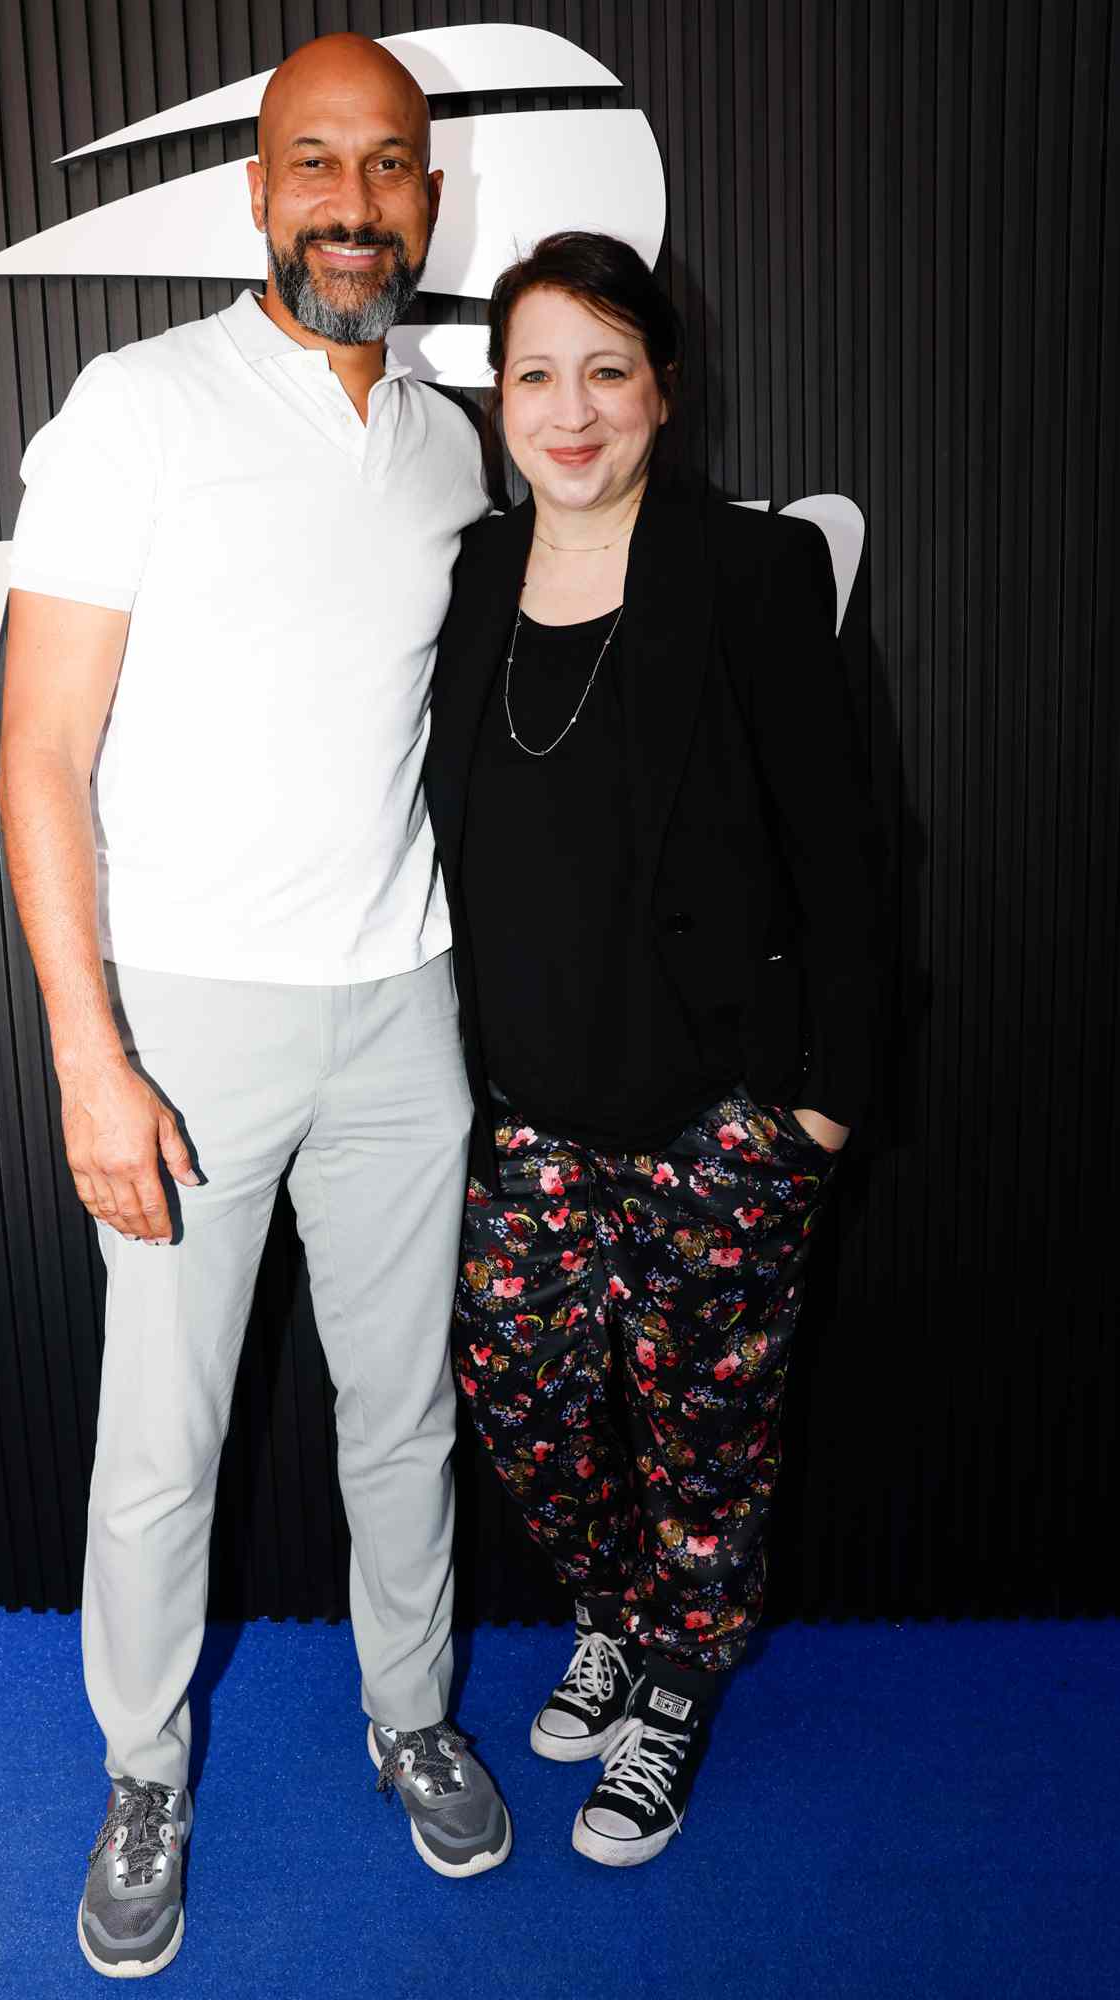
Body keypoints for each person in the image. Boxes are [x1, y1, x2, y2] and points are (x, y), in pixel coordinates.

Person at [0, 31, 510, 1982]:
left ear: (428, 202)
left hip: (405, 1008)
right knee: (164, 1433)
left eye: (387, 167)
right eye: (316, 161)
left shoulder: (455, 441)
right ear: (255, 190)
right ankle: (143, 1777)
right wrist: (88, 1051)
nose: (352, 202)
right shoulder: (134, 404)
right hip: (186, 1029)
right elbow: (40, 749)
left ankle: (411, 1714)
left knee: (401, 1415)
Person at [424, 231, 886, 1869]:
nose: (569, 409)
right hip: (530, 1122)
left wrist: (813, 1114)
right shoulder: (470, 575)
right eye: (534, 373)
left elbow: (850, 855)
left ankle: (678, 1677)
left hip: (721, 1121)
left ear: (662, 393)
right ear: (496, 399)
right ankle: (614, 1614)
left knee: (703, 1434)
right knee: (523, 1400)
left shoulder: (753, 577)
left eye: (605, 371)